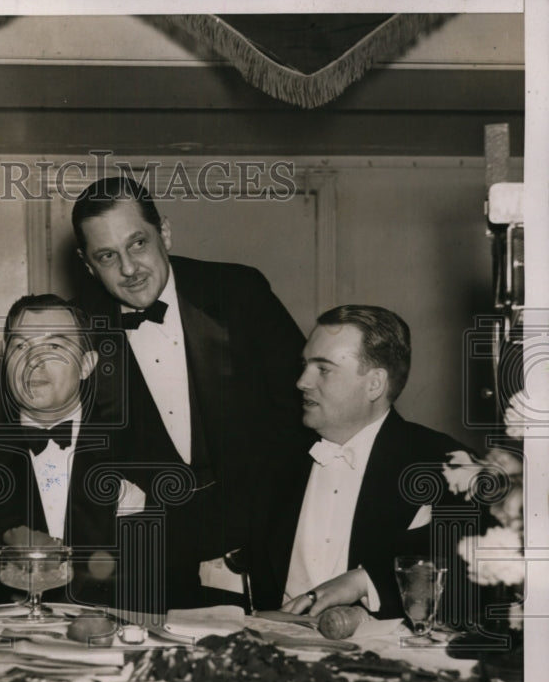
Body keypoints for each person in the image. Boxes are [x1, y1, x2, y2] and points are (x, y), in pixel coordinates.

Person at [71, 176, 307, 610]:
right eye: (107, 256)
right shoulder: (80, 332)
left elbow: (303, 415)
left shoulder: (239, 293)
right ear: (88, 265)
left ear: (165, 232)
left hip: (271, 554)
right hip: (153, 573)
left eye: (138, 243)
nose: (128, 269)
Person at [244, 305, 474, 620]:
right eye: (304, 365)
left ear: (374, 384)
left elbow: (472, 576)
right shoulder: (270, 456)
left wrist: (364, 581)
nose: (301, 382)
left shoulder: (447, 465)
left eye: (322, 368)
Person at [0, 295, 146, 612]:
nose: (33, 360)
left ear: (86, 364)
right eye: (20, 347)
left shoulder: (138, 455)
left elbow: (159, 580)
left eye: (56, 347)